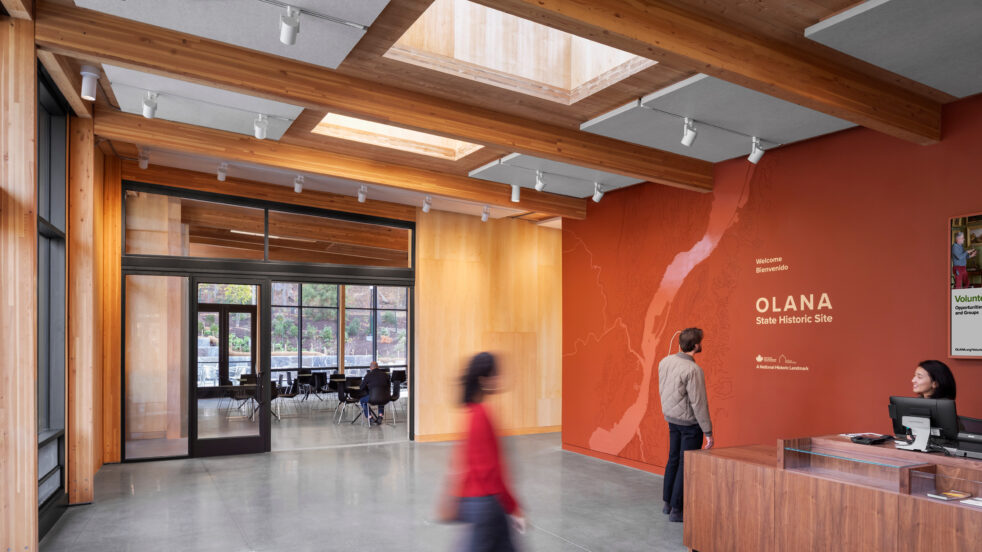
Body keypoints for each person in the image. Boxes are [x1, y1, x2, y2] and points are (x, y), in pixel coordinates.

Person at [443, 352, 523, 551]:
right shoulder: (482, 415)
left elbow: (461, 465)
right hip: (487, 506)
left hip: (479, 505)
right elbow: (493, 470)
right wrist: (513, 506)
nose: (499, 379)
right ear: (483, 379)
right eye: (495, 374)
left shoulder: (471, 413)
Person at [658, 327, 713, 523]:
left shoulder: (665, 361)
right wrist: (708, 431)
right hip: (690, 424)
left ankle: (667, 503)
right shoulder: (693, 370)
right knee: (685, 464)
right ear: (696, 345)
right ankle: (677, 510)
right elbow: (699, 403)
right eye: (701, 341)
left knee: (673, 458)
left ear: (681, 343)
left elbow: (663, 389)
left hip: (672, 419)